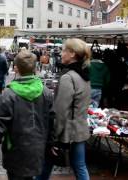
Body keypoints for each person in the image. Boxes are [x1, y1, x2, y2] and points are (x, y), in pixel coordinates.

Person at [0, 50, 54, 180]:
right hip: (37, 148)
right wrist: (50, 144)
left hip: (15, 150)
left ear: (16, 68)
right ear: (35, 68)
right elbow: (51, 121)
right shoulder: (45, 92)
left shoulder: (8, 95)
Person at [38, 38, 91, 180]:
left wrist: (54, 139)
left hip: (66, 132)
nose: (61, 54)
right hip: (79, 129)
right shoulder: (84, 75)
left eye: (63, 50)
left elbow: (60, 111)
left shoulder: (68, 77)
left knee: (46, 165)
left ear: (72, 53)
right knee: (80, 166)